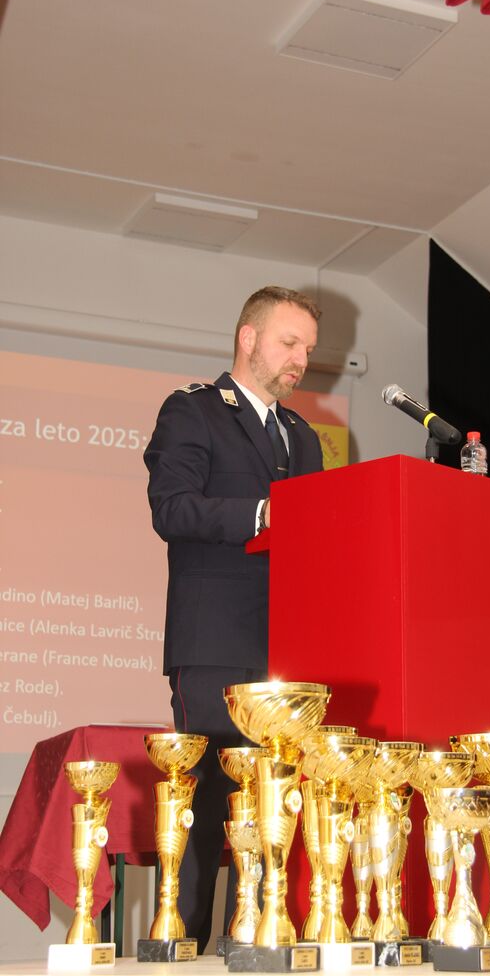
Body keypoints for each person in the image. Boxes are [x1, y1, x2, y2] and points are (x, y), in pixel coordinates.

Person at [144, 286, 323, 952]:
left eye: (308, 348)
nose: (300, 358)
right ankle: (181, 947)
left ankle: (258, 943)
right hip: (214, 640)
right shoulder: (193, 410)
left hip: (286, 653)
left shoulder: (303, 435)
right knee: (207, 803)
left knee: (275, 810)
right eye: (288, 342)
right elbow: (172, 508)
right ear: (248, 338)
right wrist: (260, 514)